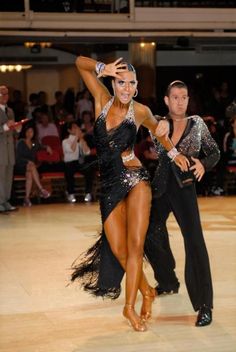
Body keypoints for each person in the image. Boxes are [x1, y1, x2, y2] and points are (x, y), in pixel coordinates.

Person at [70, 56, 189, 332]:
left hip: (136, 179)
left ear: (136, 87)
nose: (125, 88)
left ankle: (129, 308)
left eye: (131, 83)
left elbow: (158, 131)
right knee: (119, 250)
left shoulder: (141, 111)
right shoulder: (101, 100)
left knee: (135, 246)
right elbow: (78, 62)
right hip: (110, 185)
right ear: (113, 83)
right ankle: (147, 291)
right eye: (121, 82)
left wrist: (173, 151)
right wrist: (101, 67)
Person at [144, 80, 220, 327]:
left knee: (195, 243)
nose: (180, 101)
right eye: (175, 97)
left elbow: (215, 152)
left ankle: (205, 305)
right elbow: (148, 119)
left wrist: (202, 164)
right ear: (167, 100)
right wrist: (161, 121)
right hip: (160, 189)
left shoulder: (197, 123)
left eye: (184, 97)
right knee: (149, 234)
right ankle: (167, 280)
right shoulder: (158, 122)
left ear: (188, 100)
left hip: (185, 189)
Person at [15, 124, 51, 206]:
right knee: (31, 165)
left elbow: (42, 146)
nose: (29, 133)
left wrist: (47, 147)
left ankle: (26, 198)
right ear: (25, 132)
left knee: (29, 174)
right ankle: (41, 189)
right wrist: (28, 161)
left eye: (31, 131)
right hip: (20, 165)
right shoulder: (21, 142)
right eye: (27, 131)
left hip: (30, 167)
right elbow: (18, 158)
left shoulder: (34, 143)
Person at [62, 121, 96, 203]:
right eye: (74, 127)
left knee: (89, 168)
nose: (77, 129)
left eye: (77, 127)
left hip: (79, 162)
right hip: (69, 163)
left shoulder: (80, 139)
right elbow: (72, 149)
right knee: (69, 170)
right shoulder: (65, 141)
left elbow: (87, 152)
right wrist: (77, 137)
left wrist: (81, 139)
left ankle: (88, 193)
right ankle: (71, 193)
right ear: (69, 130)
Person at [0, 85, 18, 213]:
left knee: (8, 175)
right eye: (2, 94)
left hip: (9, 149)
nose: (5, 96)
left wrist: (17, 129)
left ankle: (6, 200)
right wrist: (4, 127)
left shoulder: (10, 111)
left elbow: (13, 132)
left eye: (6, 94)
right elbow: (4, 128)